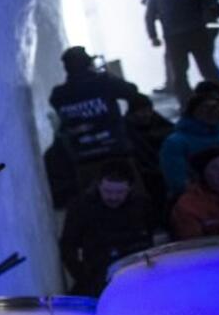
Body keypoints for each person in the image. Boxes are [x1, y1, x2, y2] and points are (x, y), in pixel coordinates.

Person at [48, 46, 141, 192]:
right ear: (88, 64)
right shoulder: (104, 82)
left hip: (84, 159)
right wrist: (106, 75)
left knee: (94, 204)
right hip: (116, 153)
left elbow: (57, 105)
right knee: (131, 202)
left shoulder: (59, 94)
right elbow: (131, 91)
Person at [58, 161, 155, 296]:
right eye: (108, 191)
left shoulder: (141, 205)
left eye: (120, 192)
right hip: (98, 275)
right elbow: (68, 247)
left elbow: (150, 237)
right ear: (98, 185)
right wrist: (84, 277)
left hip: (137, 272)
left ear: (130, 188)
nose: (113, 197)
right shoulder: (81, 207)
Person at [144, 0, 219, 105]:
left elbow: (214, 5)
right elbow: (149, 17)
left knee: (207, 68)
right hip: (174, 38)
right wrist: (153, 36)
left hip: (198, 34)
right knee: (179, 74)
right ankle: (186, 104)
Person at [159, 92, 219, 198]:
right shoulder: (175, 143)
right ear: (193, 111)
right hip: (200, 200)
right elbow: (178, 182)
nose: (211, 112)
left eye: (215, 107)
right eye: (205, 108)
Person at [124, 93, 174, 215]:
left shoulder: (157, 121)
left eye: (148, 110)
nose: (146, 114)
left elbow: (172, 131)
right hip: (146, 174)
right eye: (142, 111)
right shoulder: (127, 129)